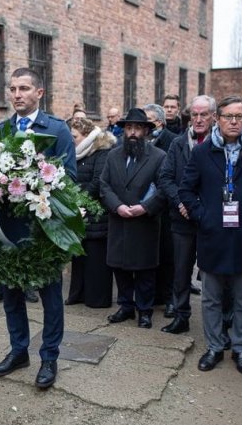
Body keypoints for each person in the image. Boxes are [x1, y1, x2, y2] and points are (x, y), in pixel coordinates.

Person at [179, 96, 242, 376]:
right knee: (211, 297)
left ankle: (240, 348)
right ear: (218, 119)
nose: (234, 122)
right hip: (213, 235)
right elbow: (186, 190)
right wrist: (203, 216)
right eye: (228, 116)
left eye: (240, 116)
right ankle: (214, 347)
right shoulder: (202, 152)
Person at [0, 67, 76, 389]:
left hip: (43, 229)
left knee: (50, 296)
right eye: (12, 89)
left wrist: (36, 185)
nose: (16, 94)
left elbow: (71, 180)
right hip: (8, 229)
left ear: (39, 93)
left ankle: (49, 358)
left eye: (24, 88)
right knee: (11, 294)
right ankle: (18, 351)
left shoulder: (56, 130)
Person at [100, 108, 167, 329]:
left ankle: (145, 310)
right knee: (120, 267)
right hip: (119, 221)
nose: (132, 132)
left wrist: (145, 208)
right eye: (129, 127)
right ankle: (126, 306)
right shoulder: (113, 155)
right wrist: (117, 206)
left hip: (144, 223)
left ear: (146, 131)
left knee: (145, 270)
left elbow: (163, 189)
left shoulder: (158, 157)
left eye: (137, 128)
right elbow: (104, 185)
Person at [159, 95, 216, 335]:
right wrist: (182, 202)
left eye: (204, 114)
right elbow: (166, 178)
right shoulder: (178, 144)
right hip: (181, 219)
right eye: (195, 114)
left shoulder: (220, 143)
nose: (199, 119)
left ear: (213, 116)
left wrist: (200, 205)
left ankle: (219, 320)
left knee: (214, 273)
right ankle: (181, 315)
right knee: (181, 271)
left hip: (211, 220)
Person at [65, 119, 115, 308]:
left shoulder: (102, 151)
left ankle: (97, 299)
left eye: (75, 137)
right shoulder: (76, 154)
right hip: (79, 213)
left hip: (97, 214)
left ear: (86, 135)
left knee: (96, 258)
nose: (72, 141)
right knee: (79, 257)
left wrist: (78, 199)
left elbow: (98, 181)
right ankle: (78, 294)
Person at [143, 103, 178, 317]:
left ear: (160, 123)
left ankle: (170, 297)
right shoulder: (141, 142)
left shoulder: (173, 141)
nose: (145, 126)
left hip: (165, 208)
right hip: (146, 208)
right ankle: (152, 294)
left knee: (168, 255)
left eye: (150, 121)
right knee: (149, 253)